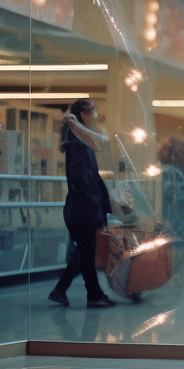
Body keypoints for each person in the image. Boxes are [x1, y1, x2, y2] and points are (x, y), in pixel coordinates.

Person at [47, 99, 115, 308]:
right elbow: (84, 179)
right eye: (93, 112)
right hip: (83, 208)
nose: (95, 116)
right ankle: (90, 294)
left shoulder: (79, 142)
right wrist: (99, 208)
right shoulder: (78, 145)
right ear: (84, 115)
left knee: (85, 252)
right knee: (86, 252)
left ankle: (68, 291)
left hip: (82, 207)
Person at [157, 137, 184, 282]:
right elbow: (174, 196)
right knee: (180, 246)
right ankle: (175, 274)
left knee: (178, 247)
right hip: (179, 217)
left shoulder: (170, 172)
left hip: (178, 217)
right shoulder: (172, 172)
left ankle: (175, 274)